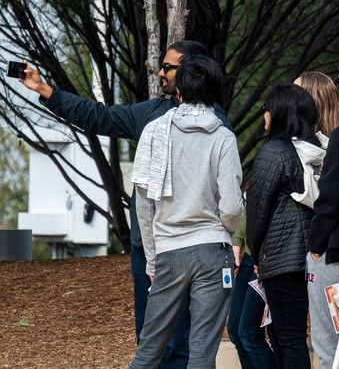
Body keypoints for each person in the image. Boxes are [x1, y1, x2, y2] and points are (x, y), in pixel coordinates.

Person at [18, 40, 224, 368]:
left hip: (189, 246)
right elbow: (99, 116)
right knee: (150, 338)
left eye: (167, 67)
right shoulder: (153, 115)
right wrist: (44, 90)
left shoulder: (216, 126)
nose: (160, 73)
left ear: (189, 70)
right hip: (148, 247)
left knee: (181, 343)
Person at [127, 55, 243, 368]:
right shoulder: (223, 137)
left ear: (179, 91)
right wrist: (228, 229)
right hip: (213, 249)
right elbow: (232, 206)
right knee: (202, 354)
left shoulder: (154, 131)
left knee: (148, 351)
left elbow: (143, 206)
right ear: (215, 92)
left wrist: (152, 258)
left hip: (168, 251)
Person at [245, 85, 321, 369]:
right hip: (309, 257)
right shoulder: (313, 152)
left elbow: (257, 210)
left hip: (281, 258)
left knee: (288, 338)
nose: (263, 113)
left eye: (266, 107)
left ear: (279, 112)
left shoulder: (273, 152)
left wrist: (256, 254)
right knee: (289, 336)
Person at [295, 68, 339, 369]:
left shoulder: (330, 145)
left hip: (329, 254)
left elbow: (328, 201)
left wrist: (315, 247)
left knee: (330, 344)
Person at [227, 215, 274, 369]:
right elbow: (249, 208)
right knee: (235, 331)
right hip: (248, 256)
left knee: (248, 332)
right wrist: (237, 240)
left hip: (269, 254)